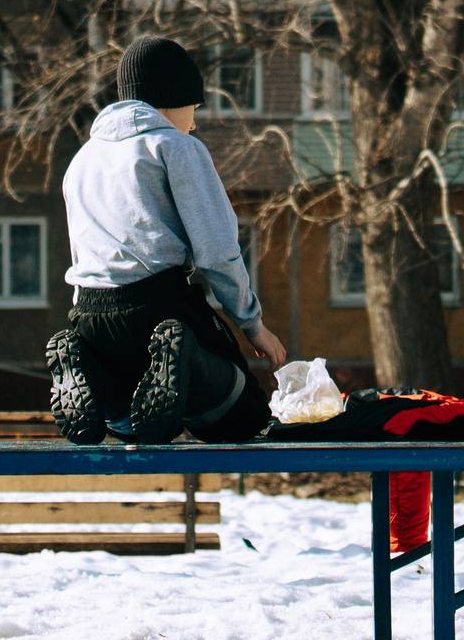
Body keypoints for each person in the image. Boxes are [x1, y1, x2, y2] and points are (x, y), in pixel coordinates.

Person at [47, 36, 290, 445]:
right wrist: (252, 324)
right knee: (243, 412)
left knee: (126, 420)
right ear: (171, 98)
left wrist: (89, 328)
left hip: (89, 314)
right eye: (192, 108)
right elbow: (217, 250)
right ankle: (186, 357)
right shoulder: (176, 147)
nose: (193, 122)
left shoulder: (83, 159)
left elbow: (82, 251)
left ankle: (87, 367)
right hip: (161, 308)